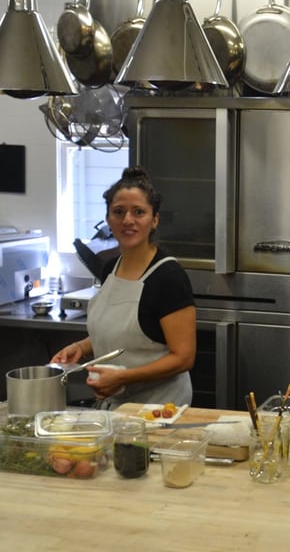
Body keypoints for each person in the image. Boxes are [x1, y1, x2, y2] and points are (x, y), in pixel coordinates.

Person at [51, 166, 196, 409]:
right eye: (119, 212)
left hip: (158, 409)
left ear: (154, 220)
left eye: (139, 212)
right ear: (109, 219)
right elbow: (121, 331)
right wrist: (81, 347)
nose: (128, 220)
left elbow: (183, 358)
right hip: (116, 407)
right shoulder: (110, 268)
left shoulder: (168, 277)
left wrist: (123, 378)